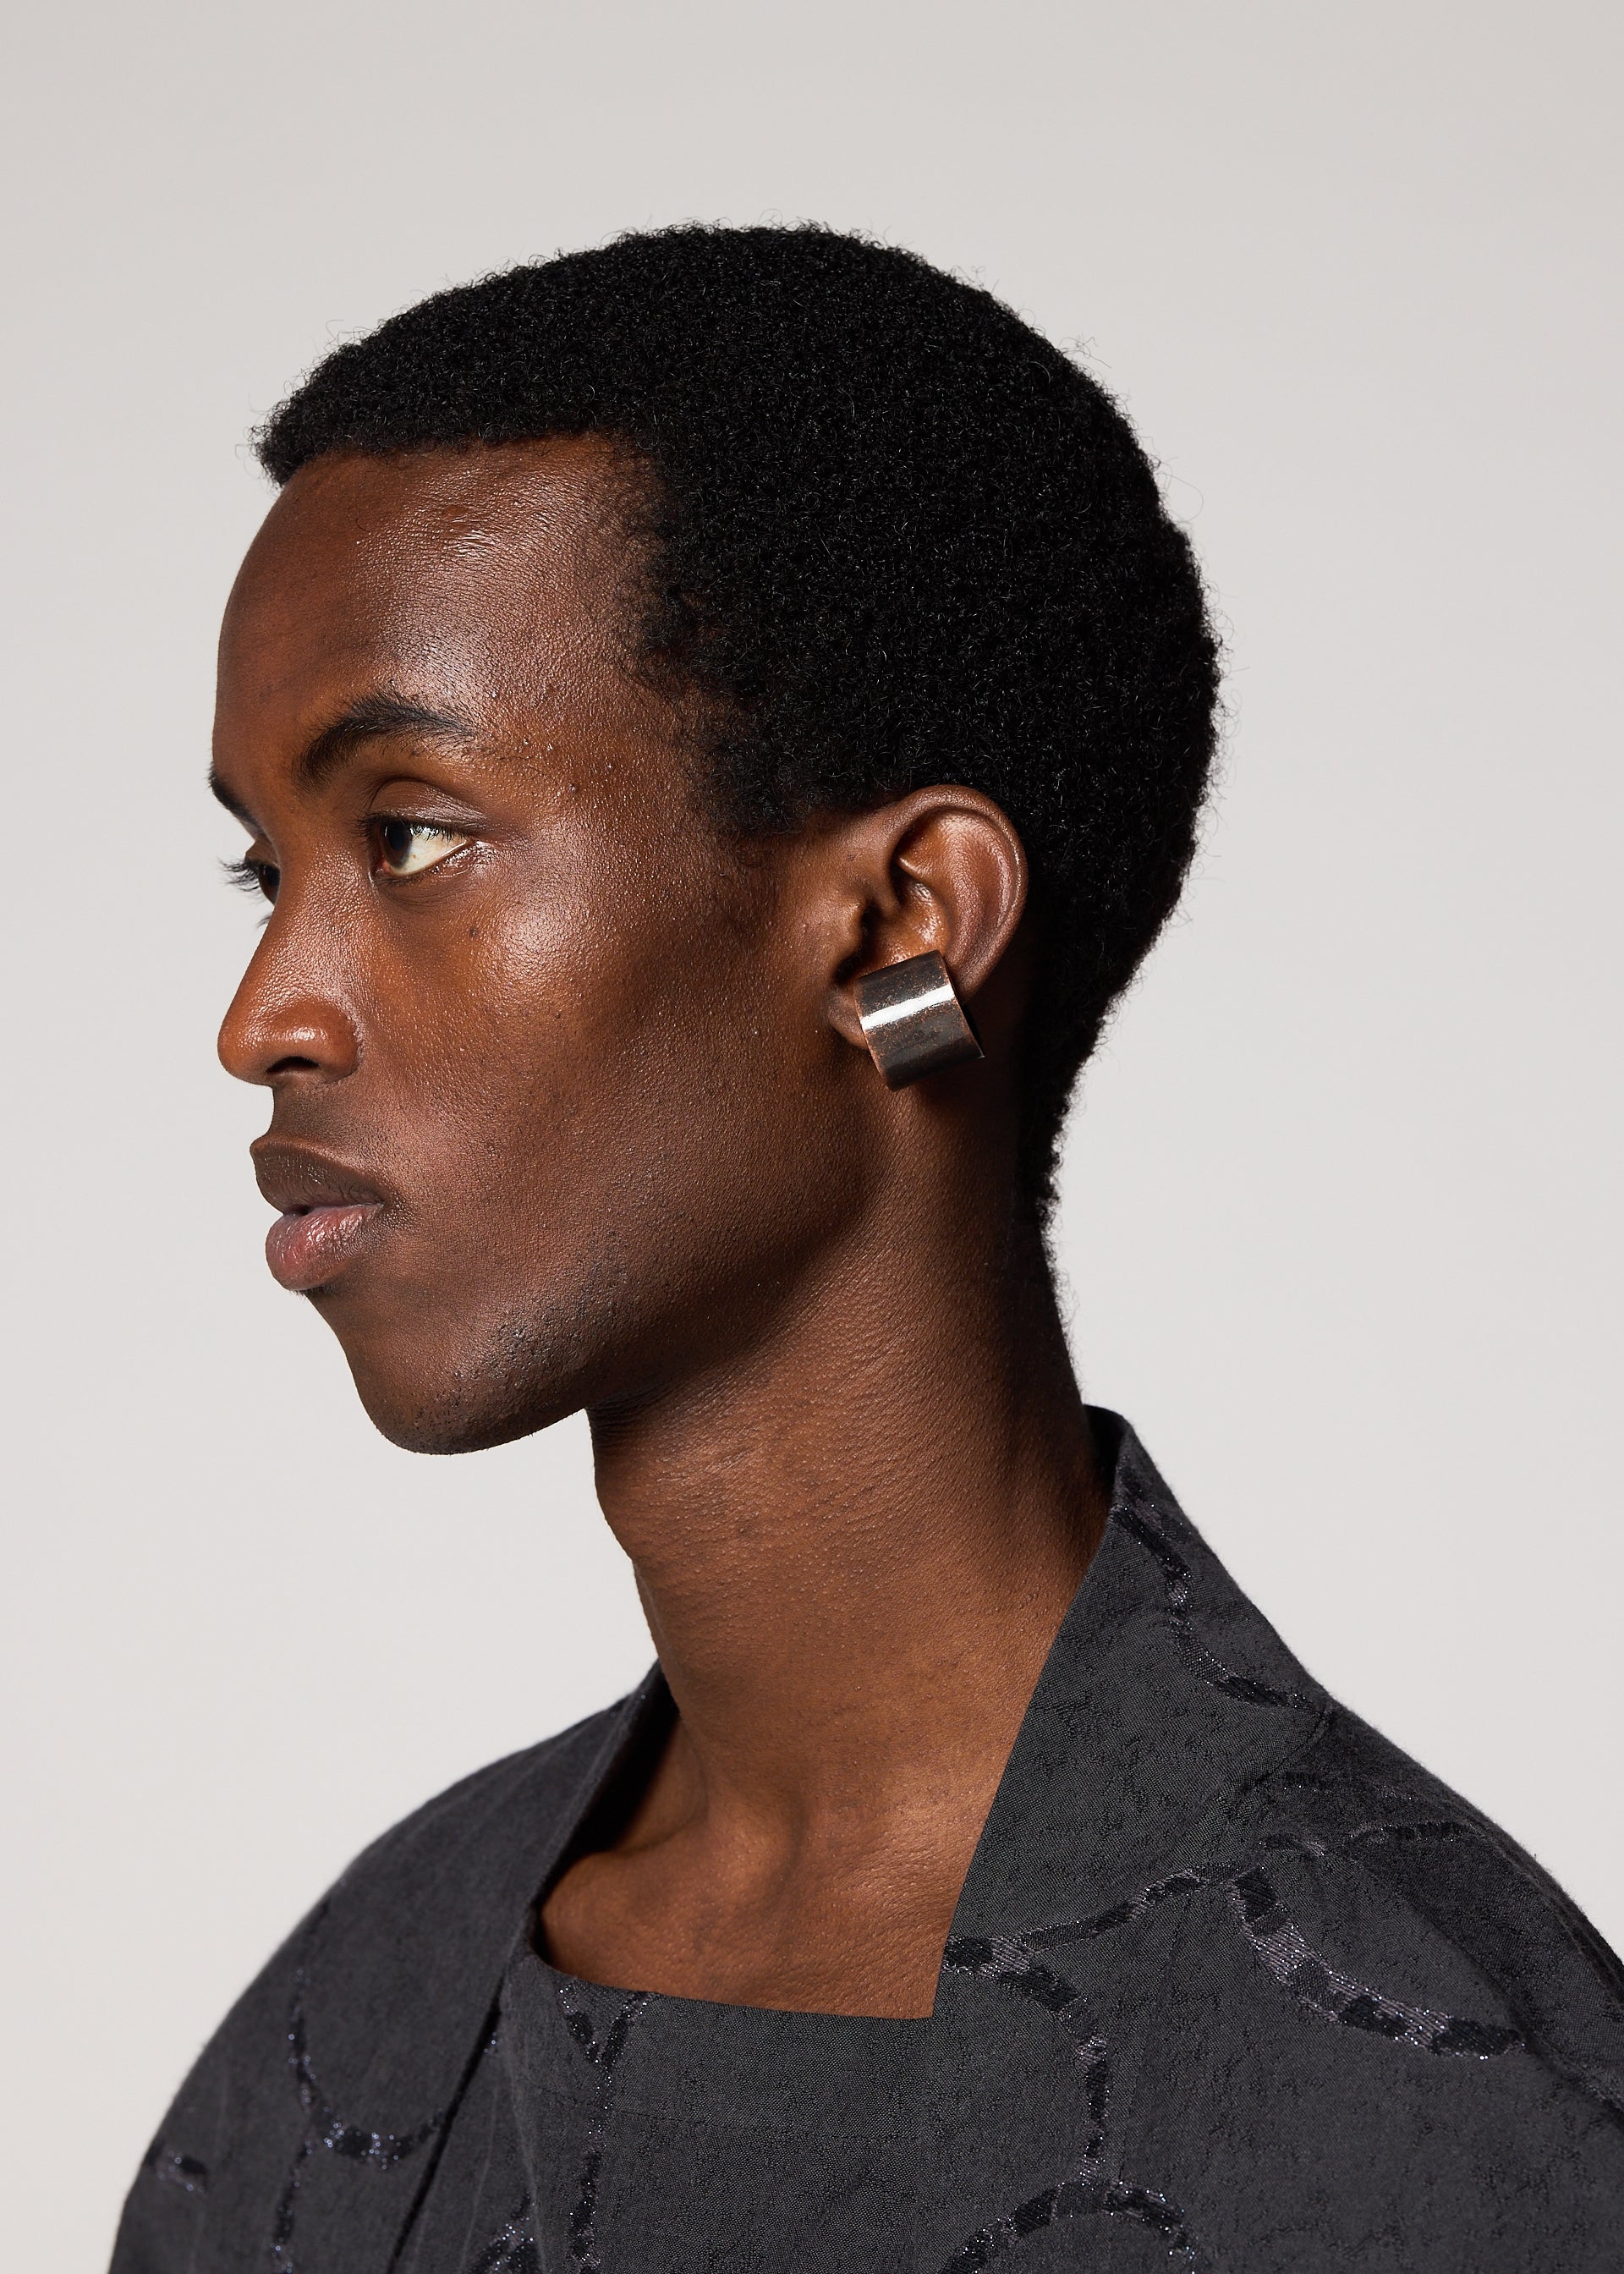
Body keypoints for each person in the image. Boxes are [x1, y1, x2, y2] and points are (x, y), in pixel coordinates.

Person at [112, 224, 1622, 2274]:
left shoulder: (1439, 2114)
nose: (265, 1015)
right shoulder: (355, 2029)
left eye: (414, 835)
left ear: (903, 926)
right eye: (265, 867)